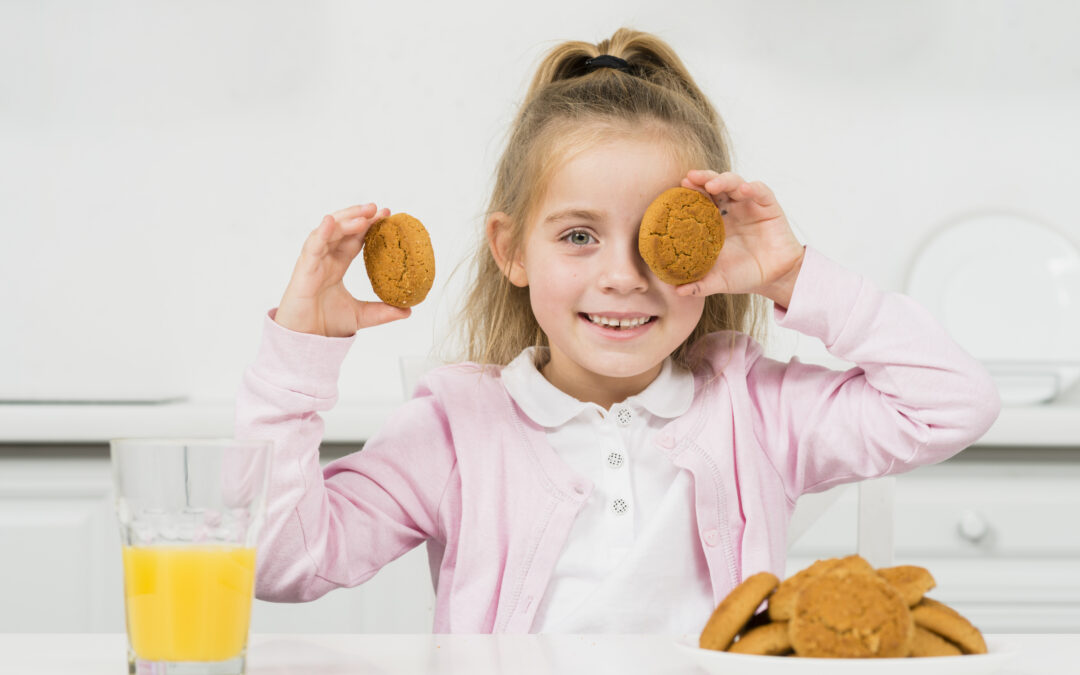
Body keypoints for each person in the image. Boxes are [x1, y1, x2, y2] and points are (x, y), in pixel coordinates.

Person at [235, 27, 1000, 634]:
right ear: (511, 249)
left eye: (654, 237)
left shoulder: (755, 410)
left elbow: (954, 402)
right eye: (578, 236)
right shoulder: (456, 429)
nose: (625, 275)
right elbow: (279, 561)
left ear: (703, 244)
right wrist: (300, 354)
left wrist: (794, 275)